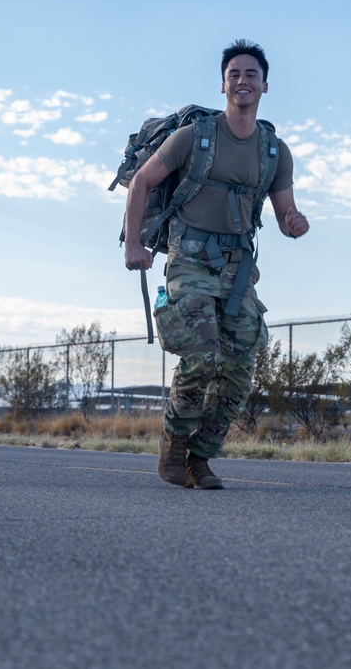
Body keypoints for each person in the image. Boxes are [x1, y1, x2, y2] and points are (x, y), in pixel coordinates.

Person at [123, 39, 310, 489]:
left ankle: (199, 459)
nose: (242, 81)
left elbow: (285, 213)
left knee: (239, 370)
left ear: (265, 85)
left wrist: (294, 221)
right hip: (189, 259)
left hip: (238, 267)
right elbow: (141, 184)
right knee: (202, 353)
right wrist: (135, 244)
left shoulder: (274, 151)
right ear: (223, 83)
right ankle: (174, 442)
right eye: (234, 75)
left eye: (251, 75)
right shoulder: (195, 137)